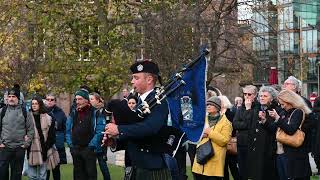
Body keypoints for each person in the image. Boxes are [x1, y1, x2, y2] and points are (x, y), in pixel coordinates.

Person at [104, 60, 172, 180]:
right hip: (135, 166)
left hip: (153, 168)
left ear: (149, 79)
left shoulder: (159, 101)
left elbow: (150, 128)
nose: (132, 81)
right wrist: (114, 141)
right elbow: (134, 133)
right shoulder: (138, 102)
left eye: (136, 78)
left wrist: (119, 129)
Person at [270, 90, 312, 180]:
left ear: (290, 101)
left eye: (283, 104)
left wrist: (278, 119)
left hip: (295, 156)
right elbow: (274, 128)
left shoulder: (298, 112)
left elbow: (291, 130)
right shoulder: (284, 112)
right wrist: (264, 121)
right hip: (283, 154)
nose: (282, 107)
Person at [66, 89, 104, 180]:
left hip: (89, 150)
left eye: (80, 99)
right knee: (78, 175)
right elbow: (67, 130)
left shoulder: (96, 113)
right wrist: (71, 145)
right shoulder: (73, 112)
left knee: (90, 175)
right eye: (76, 99)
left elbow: (99, 131)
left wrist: (91, 146)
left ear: (86, 100)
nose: (77, 102)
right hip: (76, 149)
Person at [192, 96, 232, 180]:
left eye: (211, 104)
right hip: (199, 162)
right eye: (207, 104)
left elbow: (224, 141)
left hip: (214, 165)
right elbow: (195, 135)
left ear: (217, 107)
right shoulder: (202, 120)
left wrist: (210, 133)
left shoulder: (226, 123)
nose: (208, 106)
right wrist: (202, 135)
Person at [0, 87, 34, 180]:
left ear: (18, 98)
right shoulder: (2, 111)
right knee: (2, 173)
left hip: (19, 148)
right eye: (9, 96)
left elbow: (31, 130)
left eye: (13, 96)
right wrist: (0, 143)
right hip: (5, 147)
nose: (11, 98)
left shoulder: (25, 112)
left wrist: (25, 145)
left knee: (16, 175)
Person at [246, 86, 280, 180]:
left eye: (265, 96)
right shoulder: (256, 109)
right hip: (255, 149)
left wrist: (265, 121)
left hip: (268, 149)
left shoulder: (275, 110)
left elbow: (275, 130)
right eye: (260, 96)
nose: (262, 98)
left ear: (272, 98)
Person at [26, 96, 56, 180]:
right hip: (31, 148)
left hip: (44, 147)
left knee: (42, 175)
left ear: (40, 105)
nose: (34, 105)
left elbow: (52, 134)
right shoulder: (27, 117)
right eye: (32, 104)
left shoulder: (48, 117)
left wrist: (47, 146)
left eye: (36, 104)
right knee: (32, 175)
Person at [233, 85, 258, 180]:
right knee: (242, 171)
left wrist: (248, 109)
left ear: (255, 95)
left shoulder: (258, 107)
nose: (246, 96)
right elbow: (235, 124)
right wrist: (245, 123)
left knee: (253, 171)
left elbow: (252, 124)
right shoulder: (240, 108)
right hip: (241, 143)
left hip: (253, 143)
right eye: (245, 94)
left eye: (249, 94)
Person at [45, 94, 67, 180]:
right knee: (45, 169)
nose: (50, 101)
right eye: (48, 99)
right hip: (45, 144)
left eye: (52, 99)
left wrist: (62, 139)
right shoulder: (42, 111)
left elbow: (65, 127)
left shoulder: (60, 112)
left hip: (57, 143)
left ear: (55, 101)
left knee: (56, 168)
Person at [89, 92, 111, 180]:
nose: (89, 101)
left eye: (92, 99)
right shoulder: (94, 111)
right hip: (94, 141)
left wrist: (92, 143)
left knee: (102, 164)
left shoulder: (103, 111)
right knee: (92, 166)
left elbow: (100, 130)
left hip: (100, 143)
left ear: (98, 100)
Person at [219, 95, 240, 180]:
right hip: (221, 144)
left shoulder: (230, 113)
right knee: (223, 170)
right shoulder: (218, 114)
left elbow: (233, 127)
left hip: (230, 144)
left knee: (233, 168)